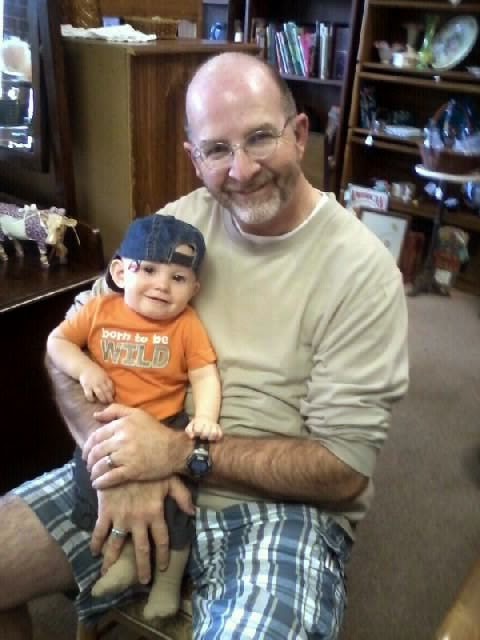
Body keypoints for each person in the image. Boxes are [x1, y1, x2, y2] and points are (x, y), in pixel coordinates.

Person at [0, 51, 408, 640]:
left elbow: (343, 470)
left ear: (298, 135)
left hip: (278, 513)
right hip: (129, 467)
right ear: (194, 158)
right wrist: (114, 459)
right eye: (217, 149)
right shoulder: (176, 225)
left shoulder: (362, 273)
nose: (241, 169)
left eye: (260, 137)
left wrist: (176, 454)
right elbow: (65, 345)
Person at [45, 214, 222, 620]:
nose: (162, 285)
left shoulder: (187, 325)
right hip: (106, 423)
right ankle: (123, 559)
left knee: (177, 505)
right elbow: (57, 341)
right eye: (149, 270)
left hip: (165, 425)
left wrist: (205, 417)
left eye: (178, 278)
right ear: (121, 273)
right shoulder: (98, 310)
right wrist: (85, 370)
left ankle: (168, 583)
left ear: (194, 289)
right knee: (95, 483)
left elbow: (204, 374)